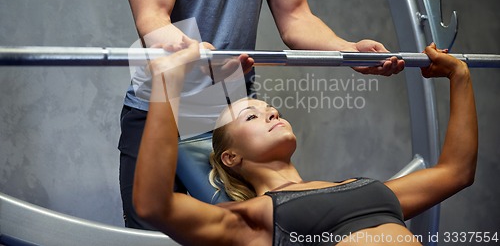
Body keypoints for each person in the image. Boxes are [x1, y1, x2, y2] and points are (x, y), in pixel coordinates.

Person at [119, 0, 404, 229]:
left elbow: (296, 18)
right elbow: (154, 18)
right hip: (157, 104)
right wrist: (196, 58)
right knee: (149, 232)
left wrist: (346, 50)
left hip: (229, 111)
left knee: (248, 231)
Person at [133, 38, 478, 246]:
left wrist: (458, 75)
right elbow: (153, 206)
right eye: (251, 116)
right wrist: (167, 85)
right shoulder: (252, 219)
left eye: (269, 108)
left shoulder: (364, 188)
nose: (271, 113)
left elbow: (457, 171)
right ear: (231, 157)